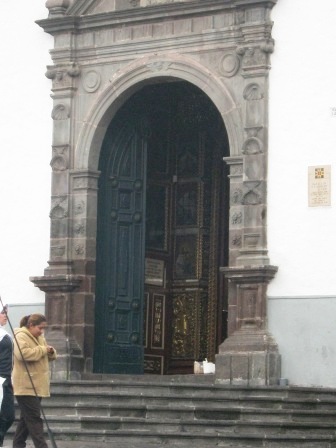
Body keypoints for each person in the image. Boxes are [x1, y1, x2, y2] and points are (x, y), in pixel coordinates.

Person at [12, 314, 57, 448]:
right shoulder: (20, 336)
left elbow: (48, 355)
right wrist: (43, 349)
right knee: (34, 419)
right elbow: (23, 354)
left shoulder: (39, 337)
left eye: (43, 328)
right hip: (25, 385)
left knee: (26, 419)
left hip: (38, 385)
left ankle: (18, 444)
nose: (42, 331)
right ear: (31, 325)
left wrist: (51, 351)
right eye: (40, 328)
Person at [0, 305, 15, 447]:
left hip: (6, 379)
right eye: (3, 313)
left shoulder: (3, 333)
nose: (6, 316)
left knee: (9, 416)